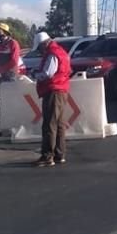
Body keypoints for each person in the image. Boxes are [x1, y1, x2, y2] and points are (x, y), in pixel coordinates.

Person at [32, 31, 72, 167]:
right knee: (59, 124)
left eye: (39, 48)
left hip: (53, 90)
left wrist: (36, 74)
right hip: (61, 89)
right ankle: (59, 154)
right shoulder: (61, 51)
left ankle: (47, 156)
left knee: (49, 124)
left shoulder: (52, 53)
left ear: (43, 44)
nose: (39, 51)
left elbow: (48, 73)